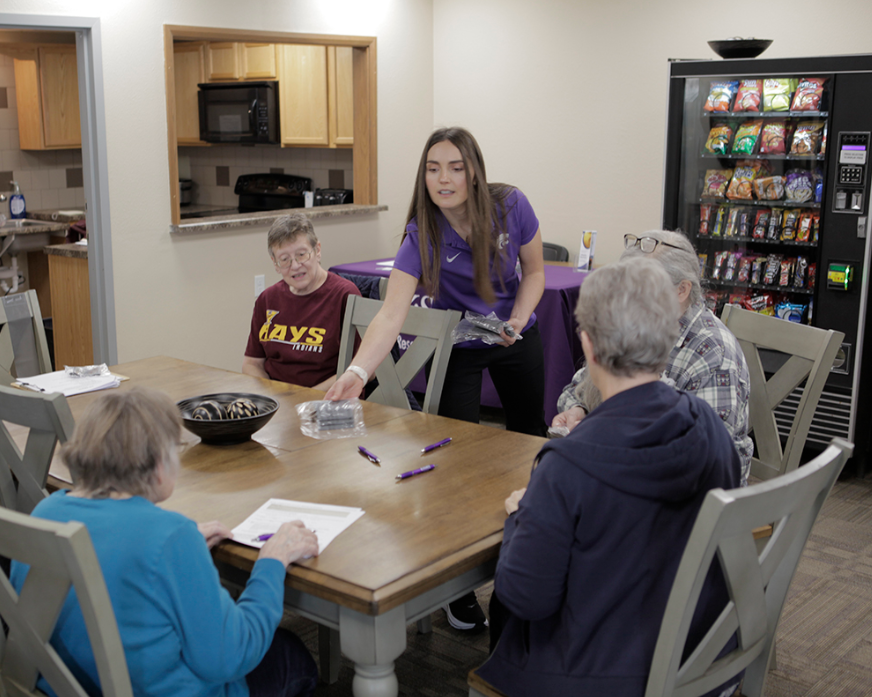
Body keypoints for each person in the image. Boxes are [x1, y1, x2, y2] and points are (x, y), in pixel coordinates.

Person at [480, 258, 741, 696]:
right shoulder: (710, 428)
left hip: (600, 675)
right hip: (701, 653)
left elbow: (525, 595)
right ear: (670, 336)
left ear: (588, 345)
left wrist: (521, 517)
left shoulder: (566, 464)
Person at [325, 126, 546, 631]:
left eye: (455, 167)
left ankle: (529, 563)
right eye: (432, 168)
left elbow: (534, 272)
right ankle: (458, 588)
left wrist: (517, 319)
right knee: (452, 465)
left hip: (516, 337)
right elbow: (390, 314)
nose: (443, 179)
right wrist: (357, 372)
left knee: (531, 445)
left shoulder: (512, 205)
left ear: (474, 172)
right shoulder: (420, 232)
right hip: (459, 346)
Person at [11, 387, 320, 697]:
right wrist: (272, 562)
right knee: (291, 655)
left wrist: (178, 548)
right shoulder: (170, 537)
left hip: (65, 687)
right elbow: (229, 658)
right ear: (159, 464)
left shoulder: (46, 511)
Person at [553, 230, 754, 484]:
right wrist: (579, 409)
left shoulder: (713, 355)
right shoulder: (636, 324)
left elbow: (709, 466)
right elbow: (579, 388)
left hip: (686, 493)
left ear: (682, 290)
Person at [243, 212, 361, 390]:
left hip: (327, 399)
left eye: (301, 254)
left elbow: (362, 369)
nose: (295, 265)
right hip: (278, 399)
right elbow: (252, 363)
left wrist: (305, 399)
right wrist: (271, 396)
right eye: (284, 260)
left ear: (317, 250)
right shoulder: (267, 299)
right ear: (275, 263)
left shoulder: (345, 295)